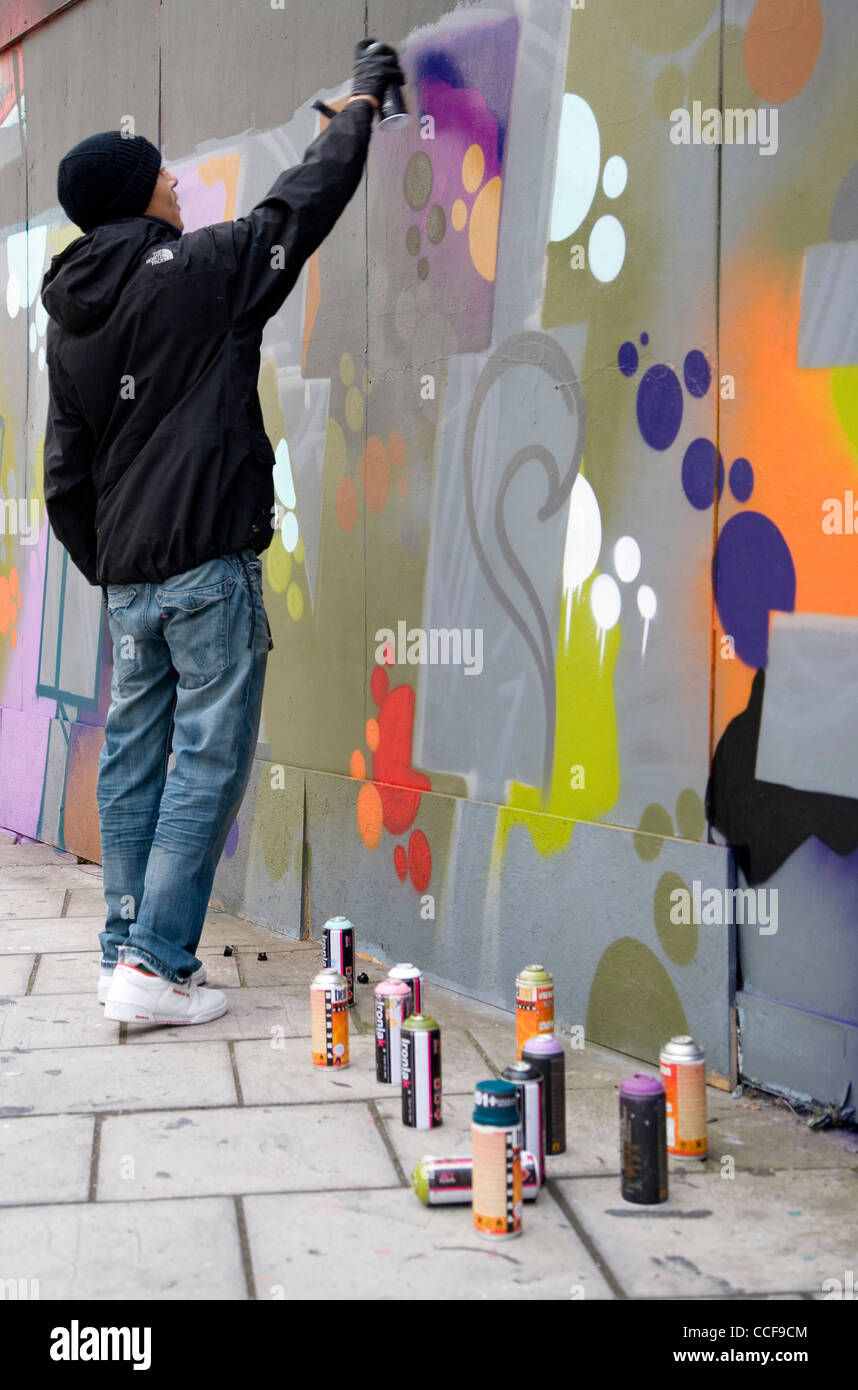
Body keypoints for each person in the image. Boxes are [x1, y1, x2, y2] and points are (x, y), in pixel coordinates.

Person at [40, 39, 404, 1026]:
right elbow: (299, 208)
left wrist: (118, 566)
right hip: (205, 569)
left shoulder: (69, 323)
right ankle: (156, 964)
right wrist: (363, 104)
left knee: (131, 759)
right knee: (205, 756)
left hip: (132, 586)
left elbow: (64, 479)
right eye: (160, 171)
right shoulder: (195, 271)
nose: (175, 179)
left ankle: (127, 952)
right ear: (133, 198)